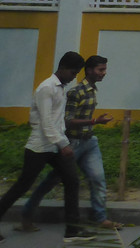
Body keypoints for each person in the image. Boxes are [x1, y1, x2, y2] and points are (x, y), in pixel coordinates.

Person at [0, 51, 96, 243]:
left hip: (55, 146)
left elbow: (57, 121)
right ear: (64, 68)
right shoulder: (47, 88)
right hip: (39, 147)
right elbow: (46, 122)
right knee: (21, 186)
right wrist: (63, 144)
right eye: (73, 73)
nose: (73, 78)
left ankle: (72, 232)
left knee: (72, 181)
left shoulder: (60, 88)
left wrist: (62, 143)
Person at [18, 55, 118, 231]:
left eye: (104, 69)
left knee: (98, 179)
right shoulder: (75, 92)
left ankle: (100, 217)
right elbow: (68, 120)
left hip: (89, 141)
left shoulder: (92, 90)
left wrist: (92, 125)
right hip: (72, 142)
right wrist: (94, 122)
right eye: (100, 69)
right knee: (52, 181)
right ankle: (27, 213)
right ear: (89, 71)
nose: (104, 73)